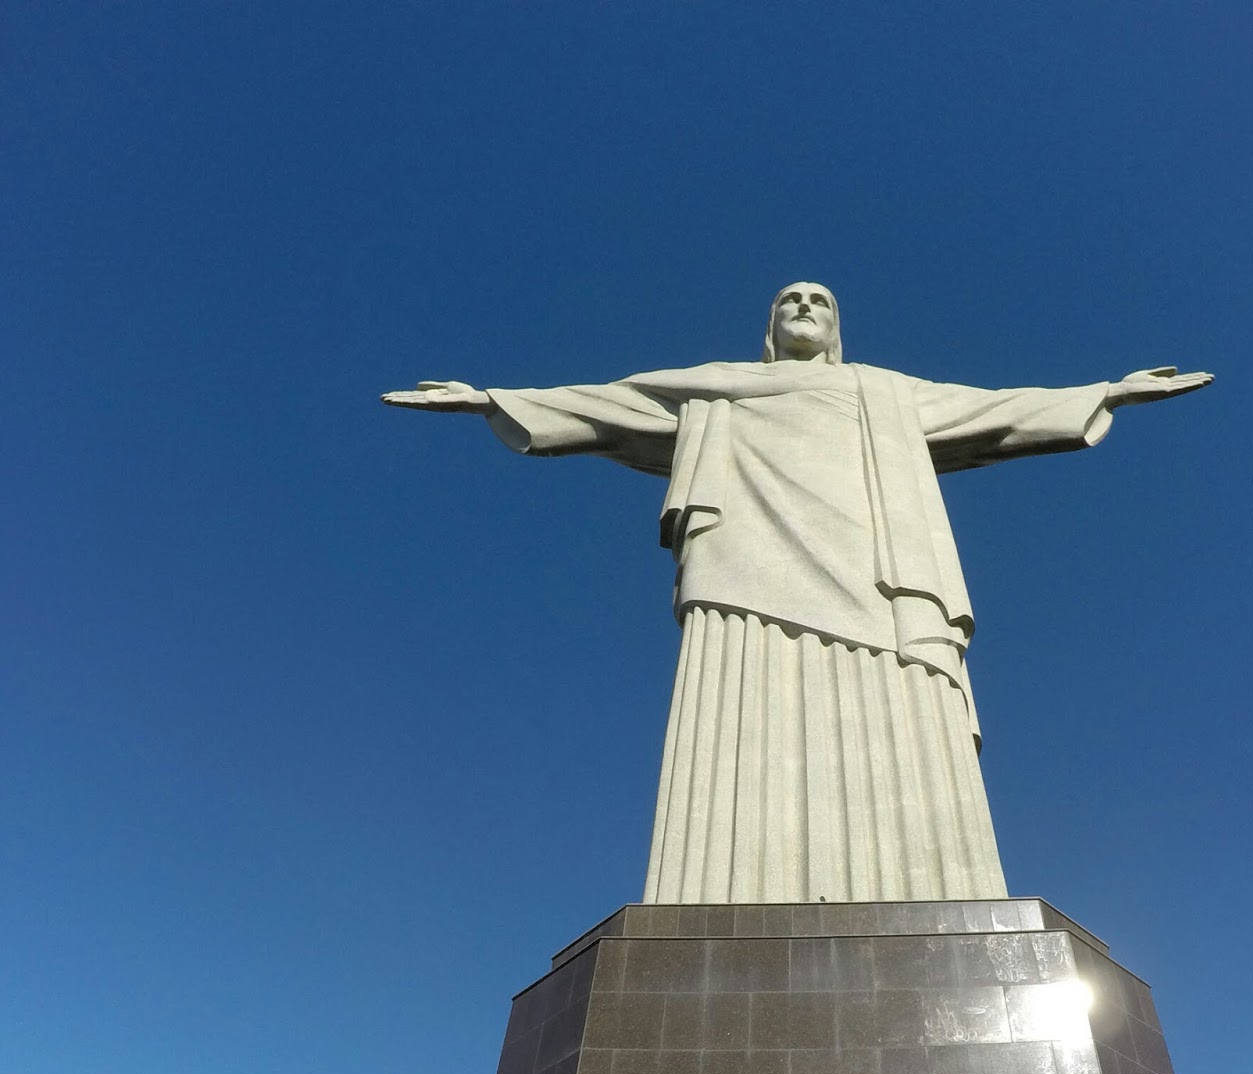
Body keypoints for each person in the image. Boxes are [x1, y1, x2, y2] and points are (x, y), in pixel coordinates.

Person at [383, 285, 1210, 905]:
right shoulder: (716, 386)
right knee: (743, 716)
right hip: (744, 569)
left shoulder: (883, 392)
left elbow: (994, 412)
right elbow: (613, 405)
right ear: (770, 328)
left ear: (838, 327)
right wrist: (494, 400)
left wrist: (1104, 393)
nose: (804, 305)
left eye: (819, 299)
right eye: (790, 300)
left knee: (899, 716)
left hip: (882, 577)